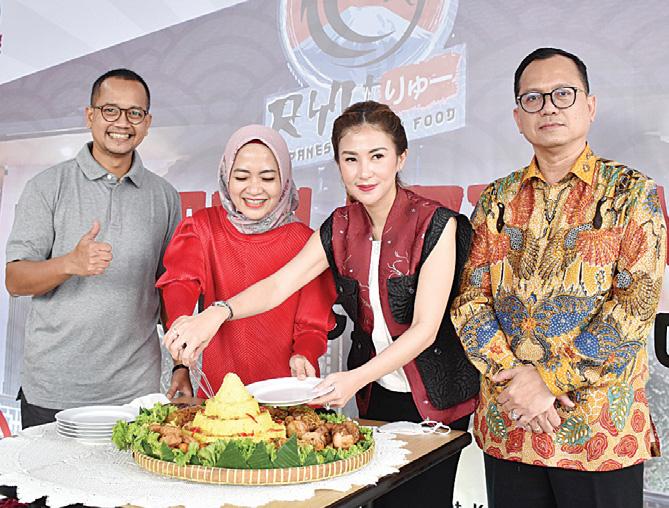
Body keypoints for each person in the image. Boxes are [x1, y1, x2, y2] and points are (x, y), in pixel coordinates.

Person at [164, 101, 480, 507]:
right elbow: (278, 285)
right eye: (351, 159)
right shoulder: (340, 226)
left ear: (401, 158)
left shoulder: (437, 224)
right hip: (378, 394)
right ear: (338, 164)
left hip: (435, 397)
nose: (364, 172)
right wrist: (217, 312)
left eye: (377, 156)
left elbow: (425, 329)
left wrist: (354, 378)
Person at [451, 48, 665, 508]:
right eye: (533, 98)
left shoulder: (632, 194)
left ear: (589, 106)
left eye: (563, 94)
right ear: (518, 117)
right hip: (512, 427)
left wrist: (548, 380)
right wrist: (518, 387)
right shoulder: (496, 200)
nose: (548, 107)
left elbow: (634, 307)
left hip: (598, 433)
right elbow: (470, 301)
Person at [5, 69, 181, 428]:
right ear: (90, 116)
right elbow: (15, 280)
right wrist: (69, 263)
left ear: (147, 123)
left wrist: (180, 364)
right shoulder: (47, 186)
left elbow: (171, 289)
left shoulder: (164, 196)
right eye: (110, 110)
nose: (122, 123)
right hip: (53, 390)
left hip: (135, 393)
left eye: (134, 113)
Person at [156, 124, 337, 398]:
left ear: (285, 180)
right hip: (221, 396)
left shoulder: (306, 242)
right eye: (241, 177)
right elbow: (179, 283)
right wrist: (181, 345)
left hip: (286, 395)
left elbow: (312, 324)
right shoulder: (203, 227)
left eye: (268, 178)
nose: (254, 189)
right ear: (226, 177)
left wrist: (304, 353)